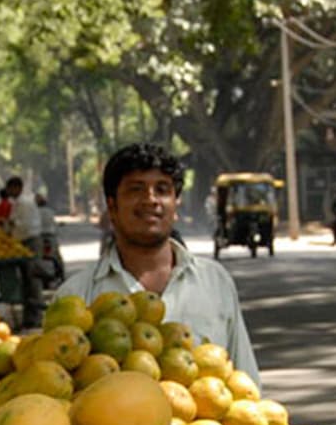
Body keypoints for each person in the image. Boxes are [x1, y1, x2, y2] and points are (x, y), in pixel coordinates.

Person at [57, 144, 259, 386]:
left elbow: (245, 381)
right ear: (112, 207)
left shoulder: (215, 281)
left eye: (162, 190)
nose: (150, 200)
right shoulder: (76, 296)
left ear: (175, 205)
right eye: (136, 189)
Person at [5, 177, 44, 327]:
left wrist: (10, 225)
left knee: (33, 279)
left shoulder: (24, 203)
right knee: (27, 282)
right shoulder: (17, 203)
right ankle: (30, 316)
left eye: (10, 188)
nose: (8, 192)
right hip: (23, 243)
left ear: (17, 188)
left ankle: (36, 317)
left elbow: (23, 226)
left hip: (30, 242)